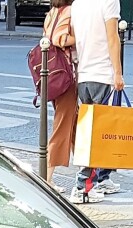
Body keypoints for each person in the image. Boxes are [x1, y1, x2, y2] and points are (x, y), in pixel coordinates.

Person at [68, 0, 124, 204]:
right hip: (101, 75)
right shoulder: (109, 2)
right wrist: (117, 73)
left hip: (84, 75)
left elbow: (76, 39)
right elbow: (112, 38)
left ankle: (101, 178)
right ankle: (84, 186)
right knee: (98, 136)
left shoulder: (78, 4)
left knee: (90, 132)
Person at [43, 0, 76, 191]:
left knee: (75, 124)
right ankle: (46, 176)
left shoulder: (52, 12)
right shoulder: (70, 11)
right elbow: (60, 39)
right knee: (63, 125)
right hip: (66, 75)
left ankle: (90, 172)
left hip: (54, 74)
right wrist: (81, 38)